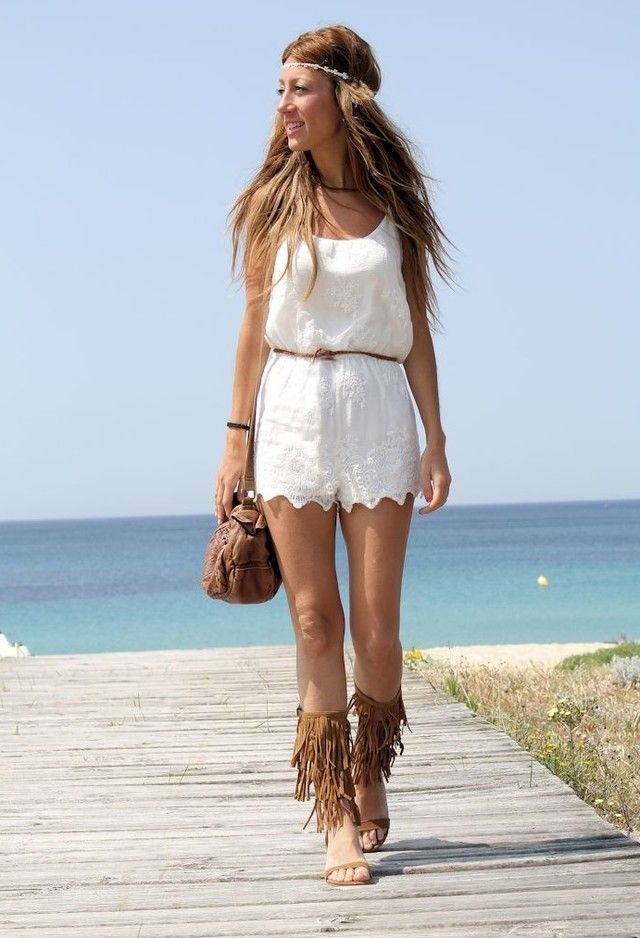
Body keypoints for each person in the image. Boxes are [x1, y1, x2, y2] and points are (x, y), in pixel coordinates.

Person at [215, 24, 453, 886]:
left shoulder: (398, 212)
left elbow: (417, 330)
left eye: (297, 90)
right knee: (316, 620)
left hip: (380, 413)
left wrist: (435, 437)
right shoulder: (270, 208)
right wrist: (233, 442)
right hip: (291, 415)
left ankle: (369, 765)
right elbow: (251, 330)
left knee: (378, 630)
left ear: (342, 100)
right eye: (279, 91)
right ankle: (336, 817)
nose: (283, 107)